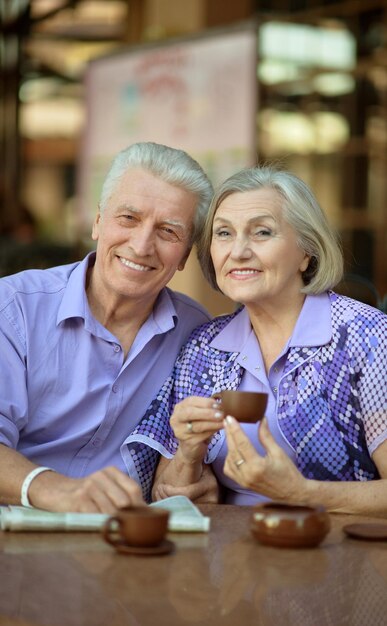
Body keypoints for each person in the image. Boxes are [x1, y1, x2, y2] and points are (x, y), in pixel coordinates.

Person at [128, 165, 387, 515]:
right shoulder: (204, 348)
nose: (238, 251)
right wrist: (189, 450)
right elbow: (168, 495)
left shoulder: (367, 337)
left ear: (306, 251)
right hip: (231, 554)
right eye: (223, 233)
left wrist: (303, 494)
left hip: (340, 552)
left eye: (262, 232)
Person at [0, 141, 216, 513]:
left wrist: (197, 474)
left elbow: (188, 456)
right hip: (21, 528)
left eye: (168, 231)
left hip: (135, 538)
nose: (142, 244)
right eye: (128, 218)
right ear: (98, 221)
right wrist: (55, 490)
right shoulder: (13, 308)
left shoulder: (198, 333)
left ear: (184, 256)